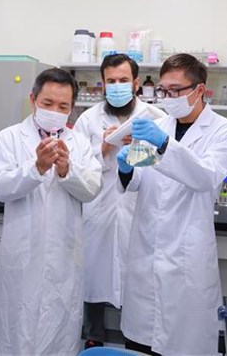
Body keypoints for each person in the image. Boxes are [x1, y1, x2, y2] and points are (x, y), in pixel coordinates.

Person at [116, 53, 227, 355]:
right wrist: (126, 169)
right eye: (163, 90)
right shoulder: (157, 124)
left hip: (187, 250)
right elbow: (140, 178)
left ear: (199, 90)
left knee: (183, 342)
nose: (168, 97)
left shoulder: (223, 131)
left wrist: (164, 144)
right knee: (141, 341)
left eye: (175, 90)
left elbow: (205, 176)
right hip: (147, 244)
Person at [0, 67, 103, 356]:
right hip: (22, 254)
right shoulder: (10, 138)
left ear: (72, 108)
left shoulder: (79, 143)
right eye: (48, 103)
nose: (55, 111)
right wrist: (36, 168)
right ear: (33, 100)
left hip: (64, 255)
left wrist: (67, 171)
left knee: (59, 329)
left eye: (63, 106)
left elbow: (91, 189)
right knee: (17, 328)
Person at [74, 54, 165, 349]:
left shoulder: (156, 117)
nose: (117, 86)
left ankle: (135, 337)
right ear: (102, 84)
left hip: (137, 205)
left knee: (136, 274)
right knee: (93, 271)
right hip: (98, 207)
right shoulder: (88, 119)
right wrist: (104, 146)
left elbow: (162, 163)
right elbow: (77, 165)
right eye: (110, 81)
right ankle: (93, 335)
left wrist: (135, 146)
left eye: (123, 80)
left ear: (136, 83)